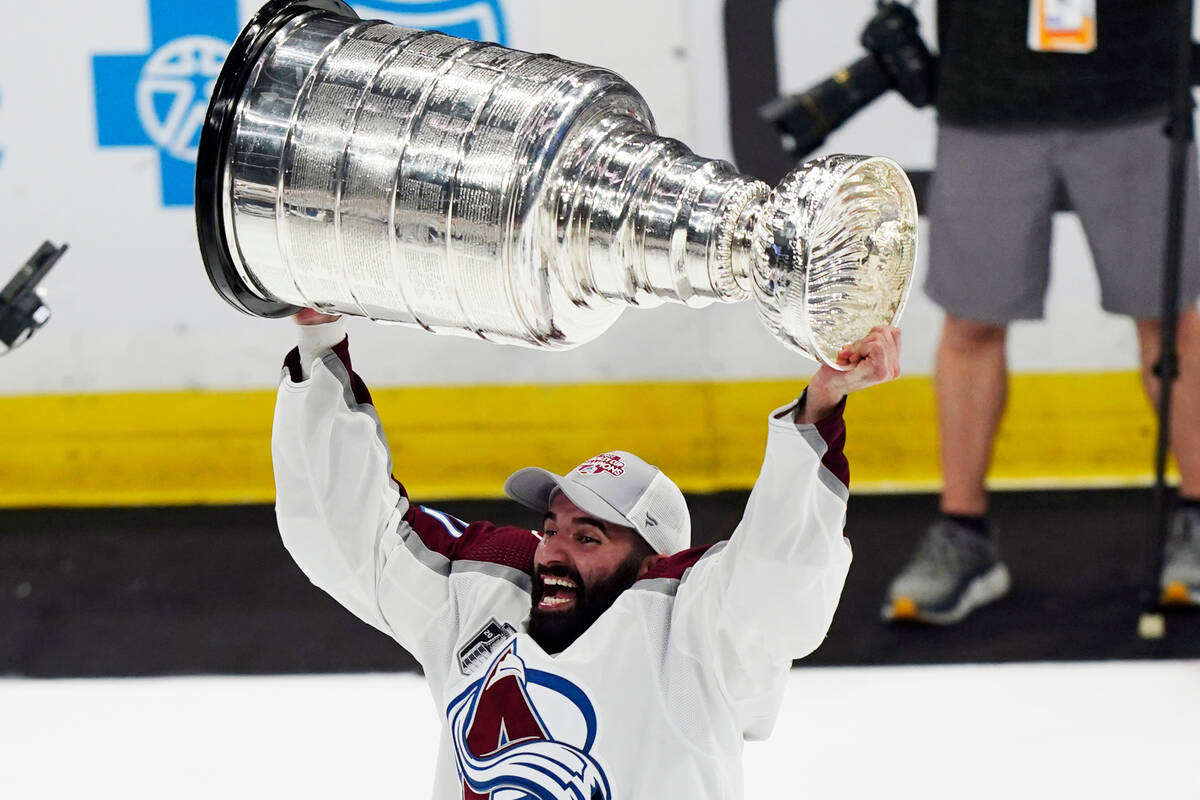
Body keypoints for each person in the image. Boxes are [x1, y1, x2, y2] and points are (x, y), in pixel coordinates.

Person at [272, 308, 900, 798]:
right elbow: (352, 532)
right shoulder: (487, 595)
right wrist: (319, 340)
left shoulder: (694, 635)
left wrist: (820, 405)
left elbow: (778, 577)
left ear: (652, 564)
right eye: (552, 526)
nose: (552, 551)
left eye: (588, 536)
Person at [883, 0, 1200, 624]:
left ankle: (1197, 514)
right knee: (971, 321)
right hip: (985, 94)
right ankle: (963, 530)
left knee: (1170, 324)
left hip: (1135, 91)